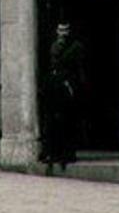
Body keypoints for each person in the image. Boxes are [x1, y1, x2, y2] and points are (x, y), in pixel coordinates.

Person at [41, 21, 86, 169]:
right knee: (54, 121)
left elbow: (78, 69)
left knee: (68, 121)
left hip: (69, 87)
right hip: (55, 87)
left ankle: (67, 153)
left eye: (66, 30)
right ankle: (53, 152)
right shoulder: (54, 46)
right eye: (60, 30)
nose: (63, 33)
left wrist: (74, 86)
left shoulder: (76, 47)